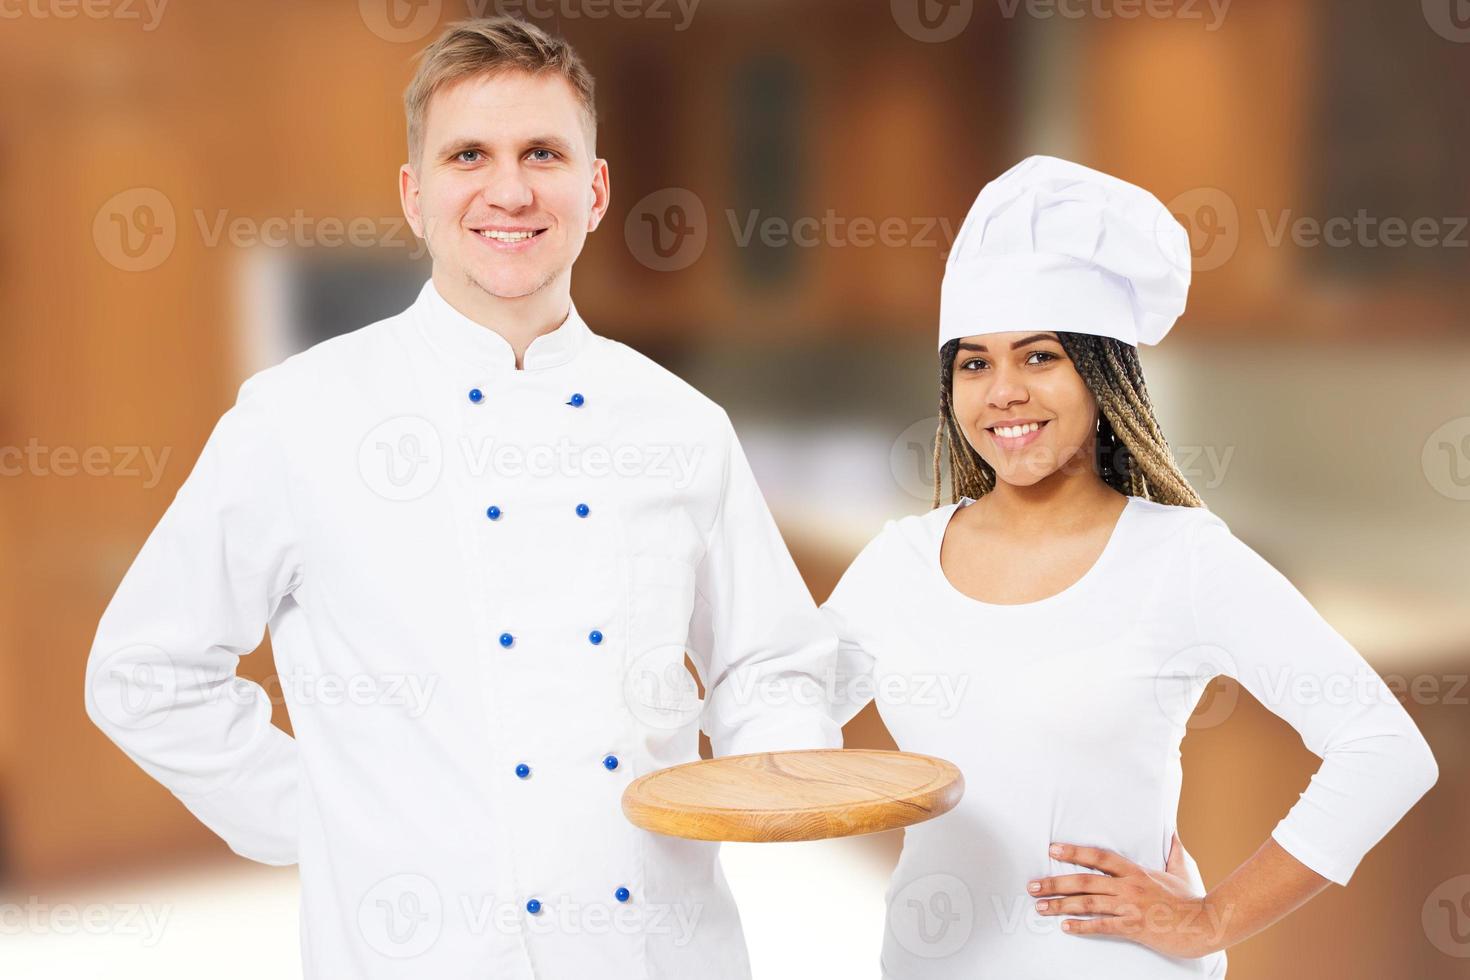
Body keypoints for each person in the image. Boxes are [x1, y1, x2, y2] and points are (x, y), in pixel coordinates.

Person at [83, 17, 838, 980]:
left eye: (544, 153)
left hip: (654, 951)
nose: (510, 189)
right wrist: (320, 819)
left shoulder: (681, 425)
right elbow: (145, 673)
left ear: (596, 190)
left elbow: (769, 666)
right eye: (468, 155)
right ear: (415, 194)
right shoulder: (298, 418)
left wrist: (782, 776)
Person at [820, 155, 1438, 979]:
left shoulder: (1180, 559)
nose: (1002, 390)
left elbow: (1385, 747)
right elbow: (775, 722)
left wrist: (1212, 917)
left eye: (1039, 356)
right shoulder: (899, 563)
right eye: (974, 362)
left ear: (1101, 371)